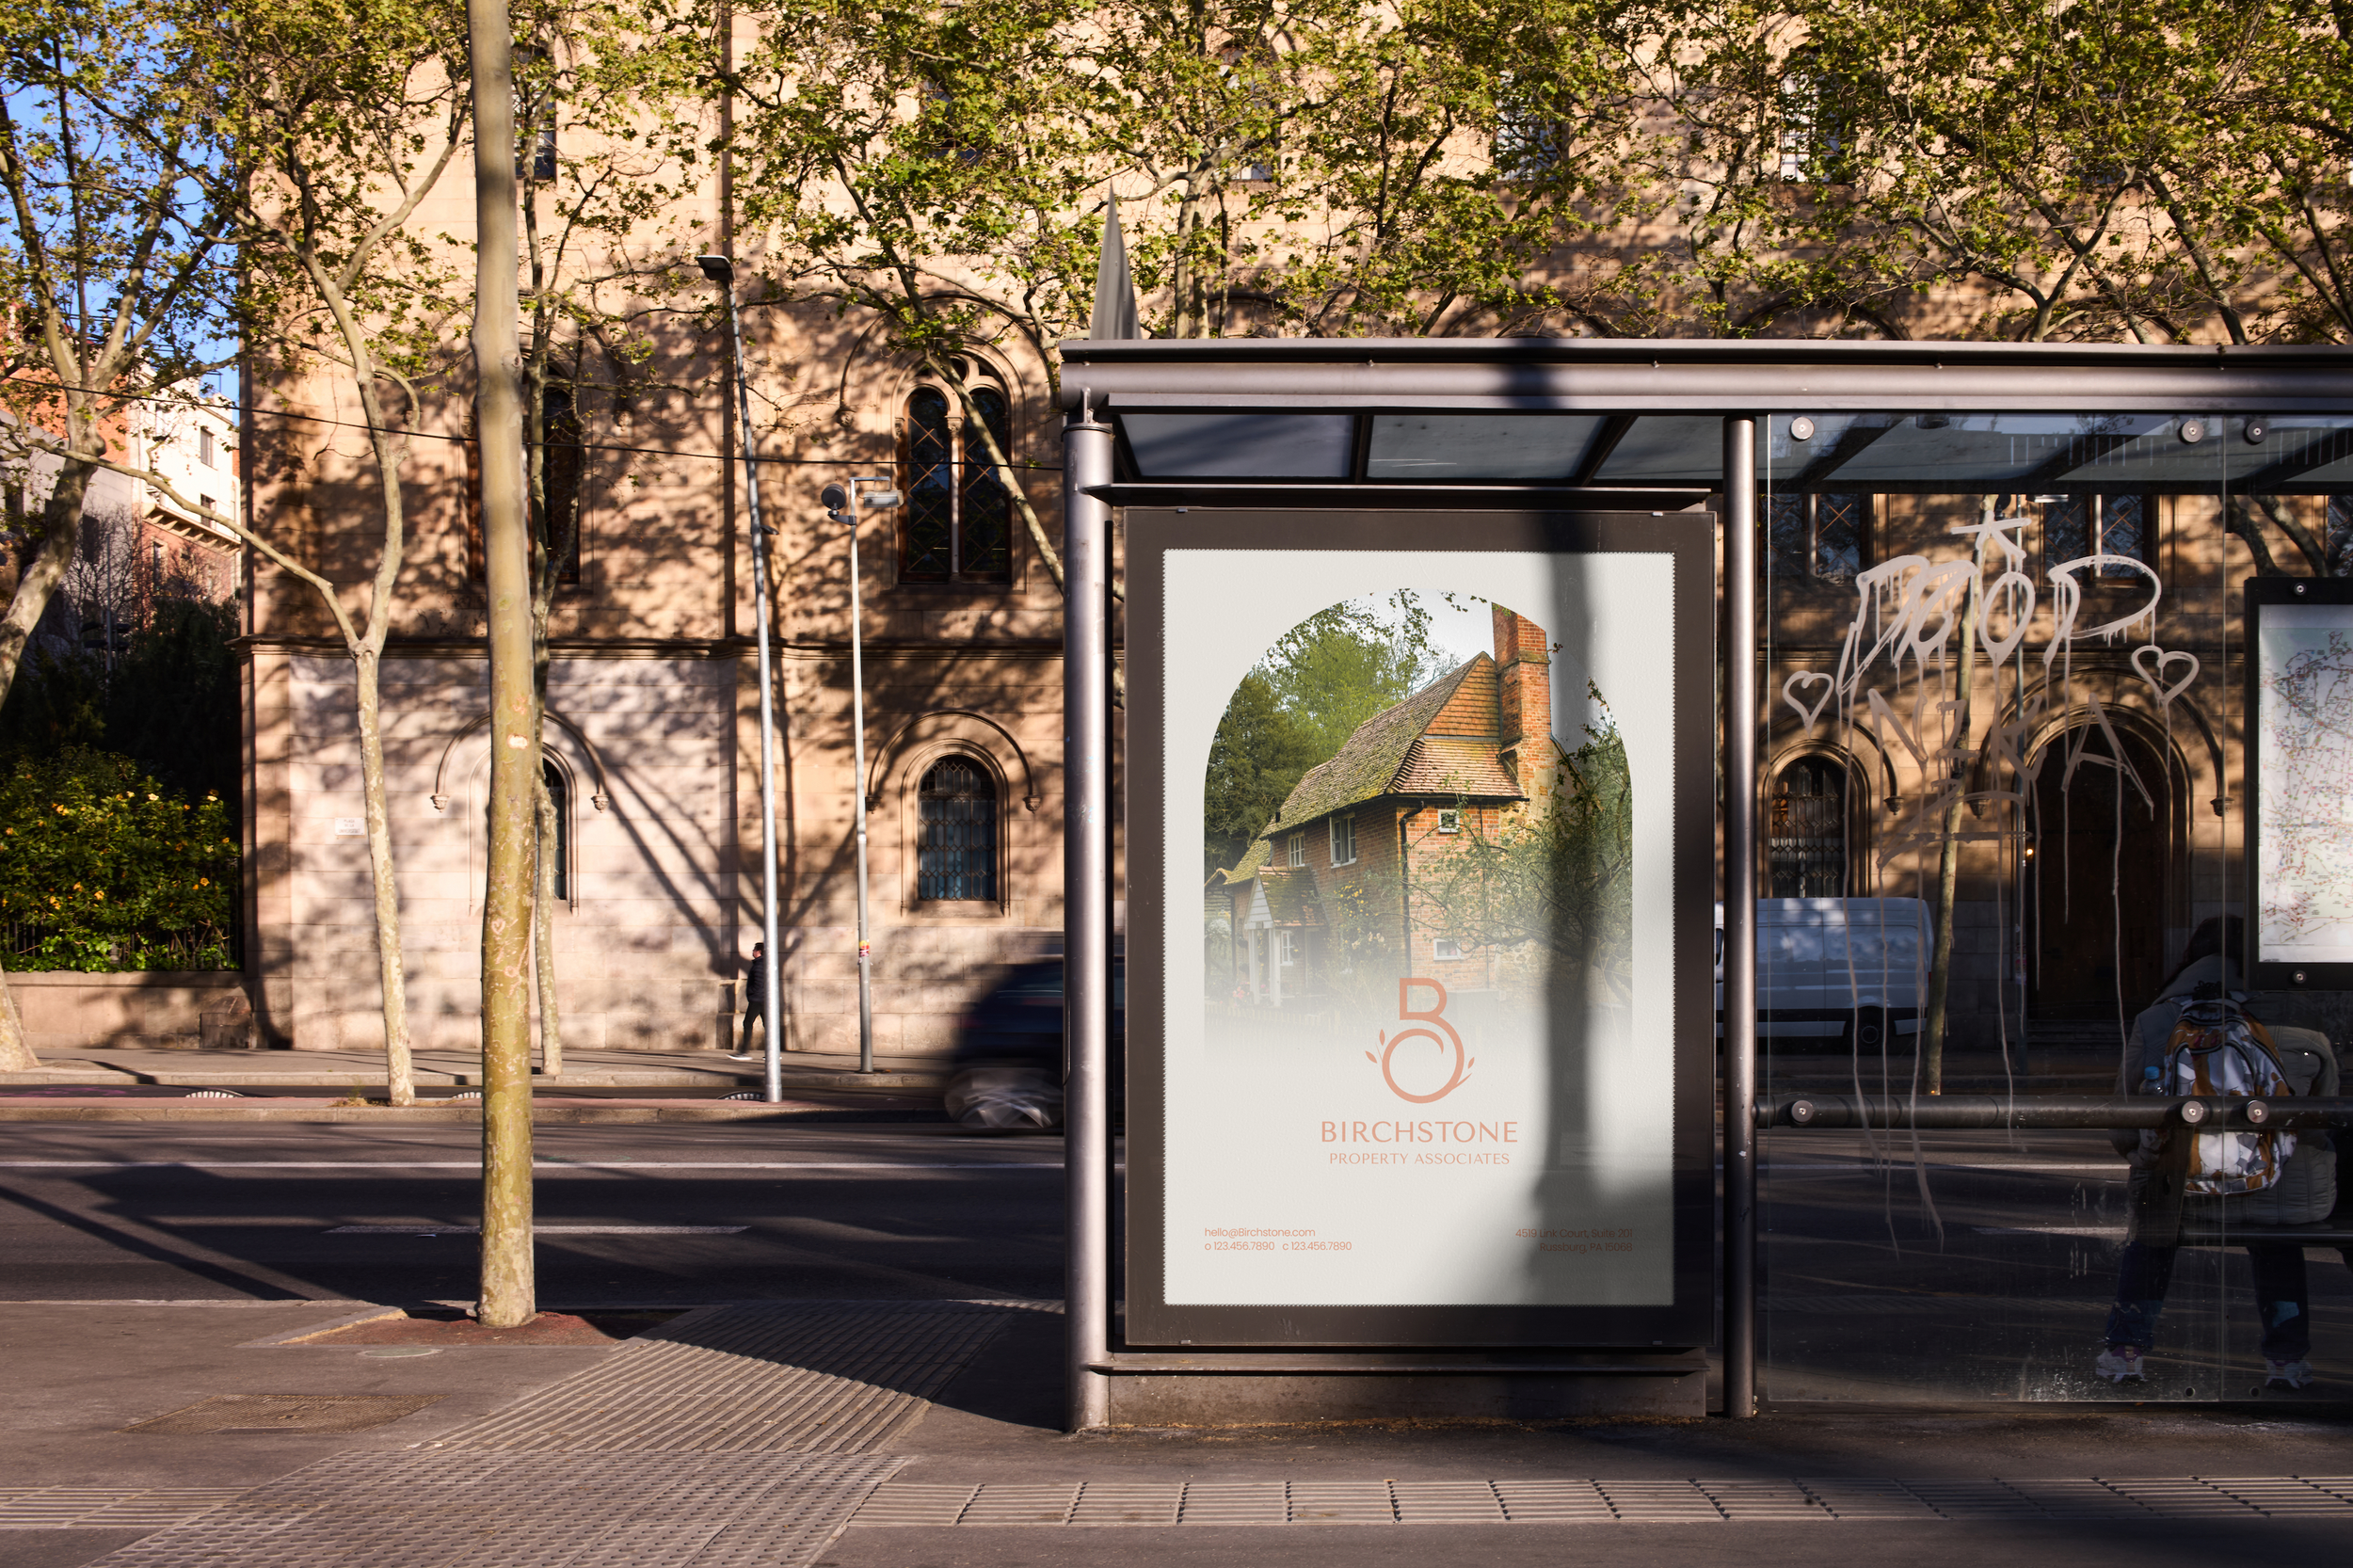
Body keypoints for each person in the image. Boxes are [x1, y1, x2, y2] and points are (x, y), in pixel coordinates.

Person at [2097, 916, 2334, 1391]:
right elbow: (2327, 1112)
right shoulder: (2301, 1020)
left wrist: (2145, 1156)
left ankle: (2126, 1353)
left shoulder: (2157, 1020)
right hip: (2280, 1187)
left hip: (2181, 1186)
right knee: (2277, 1242)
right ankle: (2286, 1363)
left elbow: (2122, 1122)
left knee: (2153, 1237)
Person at [729, 942, 769, 1061]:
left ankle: (743, 1052)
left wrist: (751, 991)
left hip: (757, 999)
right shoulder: (763, 964)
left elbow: (759, 983)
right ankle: (772, 1052)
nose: (753, 951)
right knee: (768, 1025)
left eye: (754, 950)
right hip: (763, 999)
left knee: (747, 1023)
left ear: (758, 952)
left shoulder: (759, 965)